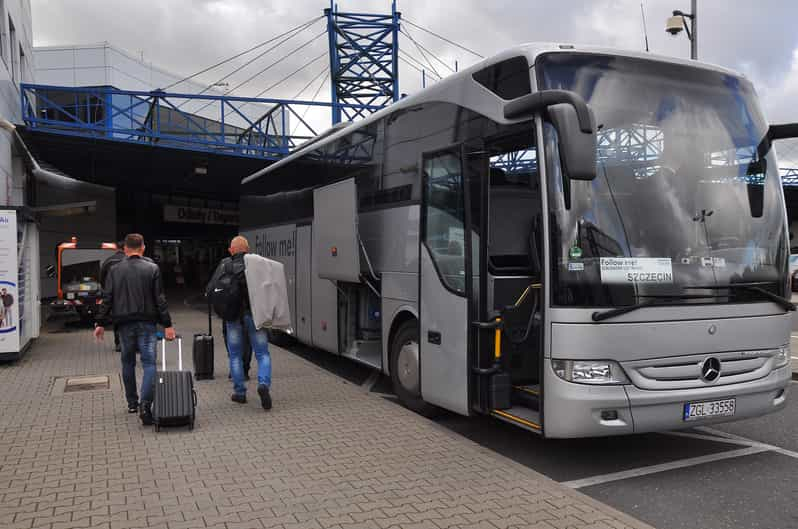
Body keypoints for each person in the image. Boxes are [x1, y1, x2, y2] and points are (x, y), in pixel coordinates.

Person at [94, 233, 176, 425]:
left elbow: (107, 299)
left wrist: (99, 323)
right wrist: (168, 325)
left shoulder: (114, 270)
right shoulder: (152, 268)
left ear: (124, 249)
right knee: (149, 364)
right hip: (147, 324)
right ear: (143, 248)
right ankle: (145, 405)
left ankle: (132, 402)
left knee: (127, 363)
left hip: (123, 325)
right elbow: (160, 300)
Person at [207, 235, 271, 410]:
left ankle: (240, 393)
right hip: (255, 315)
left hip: (233, 317)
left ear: (231, 250)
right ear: (248, 249)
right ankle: (263, 384)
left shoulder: (224, 265)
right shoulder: (258, 263)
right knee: (262, 354)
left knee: (235, 355)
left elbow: (210, 289)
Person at [100, 242, 126, 352]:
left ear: (117, 248)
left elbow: (102, 278)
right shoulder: (132, 260)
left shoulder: (109, 261)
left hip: (115, 295)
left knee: (117, 318)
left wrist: (107, 290)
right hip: (130, 293)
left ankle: (118, 343)